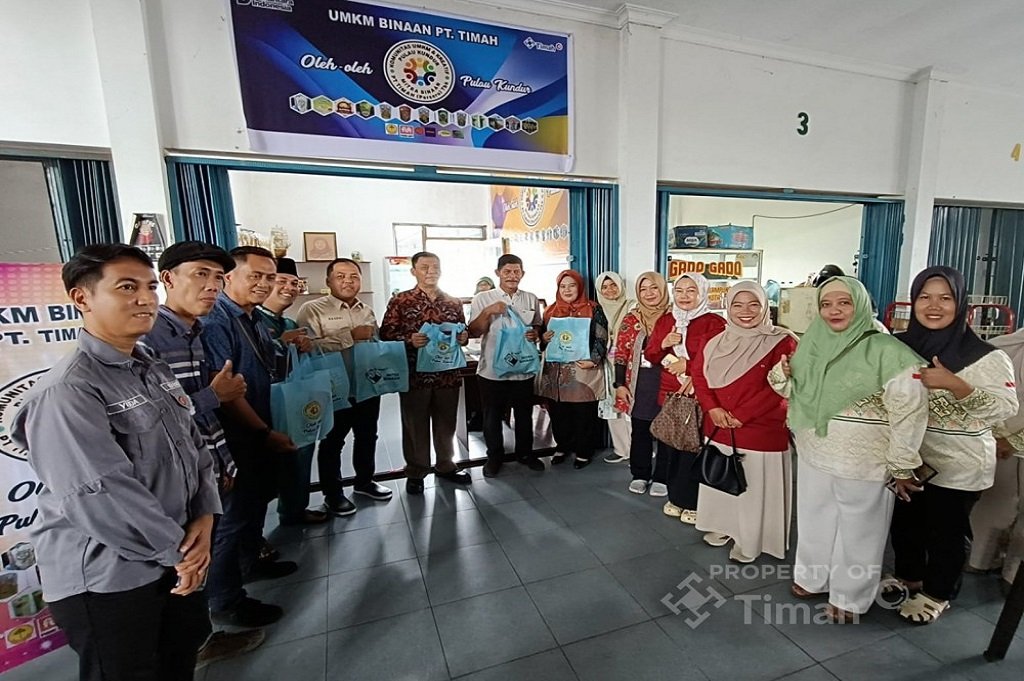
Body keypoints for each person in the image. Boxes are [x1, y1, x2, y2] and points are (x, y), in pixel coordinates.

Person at [11, 244, 221, 680]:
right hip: (110, 574)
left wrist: (204, 515)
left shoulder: (149, 366)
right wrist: (179, 554)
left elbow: (192, 444)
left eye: (148, 286)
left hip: (176, 550)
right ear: (82, 298)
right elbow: (99, 492)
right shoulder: (68, 391)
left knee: (178, 658)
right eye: (127, 287)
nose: (146, 299)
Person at [139, 241, 267, 665]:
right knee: (193, 555)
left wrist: (219, 462)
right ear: (168, 279)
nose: (211, 286)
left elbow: (188, 414)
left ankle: (205, 631)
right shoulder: (150, 337)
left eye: (217, 277)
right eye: (201, 275)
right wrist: (216, 396)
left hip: (206, 465)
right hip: (175, 479)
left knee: (212, 543)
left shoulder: (192, 330)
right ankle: (217, 616)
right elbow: (155, 418)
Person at [773, 276, 928, 622]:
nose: (834, 311)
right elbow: (792, 390)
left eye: (844, 302)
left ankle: (851, 596)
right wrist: (783, 374)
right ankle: (813, 578)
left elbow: (910, 410)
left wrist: (902, 463)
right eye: (826, 304)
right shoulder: (814, 341)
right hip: (815, 450)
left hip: (865, 459)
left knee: (860, 529)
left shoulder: (888, 351)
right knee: (815, 518)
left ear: (860, 304)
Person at [890, 266, 1018, 624]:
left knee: (946, 531)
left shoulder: (985, 356)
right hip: (910, 457)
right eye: (924, 297)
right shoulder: (897, 347)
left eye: (945, 298)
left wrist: (957, 386)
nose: (934, 306)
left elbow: (1006, 407)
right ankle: (908, 576)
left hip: (961, 463)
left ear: (960, 303)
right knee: (906, 521)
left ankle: (938, 592)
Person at [201, 246, 299, 628]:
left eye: (269, 277)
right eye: (255, 276)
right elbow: (223, 390)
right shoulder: (216, 321)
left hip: (256, 427)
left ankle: (250, 562)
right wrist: (263, 431)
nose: (264, 284)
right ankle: (225, 600)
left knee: (253, 505)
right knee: (232, 517)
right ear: (229, 278)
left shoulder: (252, 317)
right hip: (235, 434)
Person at [690, 282, 798, 563]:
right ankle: (722, 527)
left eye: (754, 305)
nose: (745, 312)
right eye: (737, 305)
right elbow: (699, 377)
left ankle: (750, 541)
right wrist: (712, 408)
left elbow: (782, 387)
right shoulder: (715, 340)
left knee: (753, 489)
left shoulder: (783, 341)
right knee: (720, 480)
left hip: (761, 428)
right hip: (718, 426)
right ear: (728, 307)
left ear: (765, 307)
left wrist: (742, 416)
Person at [296, 258, 393, 512]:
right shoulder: (312, 309)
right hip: (333, 388)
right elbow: (308, 348)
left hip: (366, 386)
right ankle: (332, 493)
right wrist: (349, 336)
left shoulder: (366, 310)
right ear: (328, 281)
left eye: (354, 276)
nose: (348, 281)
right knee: (332, 441)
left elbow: (374, 344)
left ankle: (364, 481)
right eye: (340, 276)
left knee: (367, 436)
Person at [380, 251, 471, 495]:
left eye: (436, 266)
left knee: (446, 423)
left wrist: (463, 337)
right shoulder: (400, 301)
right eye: (425, 267)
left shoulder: (453, 302)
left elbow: (462, 332)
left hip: (447, 374)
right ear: (414, 271)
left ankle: (445, 465)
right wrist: (409, 340)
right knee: (414, 425)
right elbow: (385, 335)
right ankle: (416, 471)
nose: (431, 271)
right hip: (414, 376)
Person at [644, 273, 726, 516]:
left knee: (694, 449)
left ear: (702, 292)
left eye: (691, 290)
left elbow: (719, 360)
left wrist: (688, 368)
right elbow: (651, 356)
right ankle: (676, 498)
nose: (685, 296)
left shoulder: (714, 322)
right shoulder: (666, 320)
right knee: (672, 449)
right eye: (679, 290)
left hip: (701, 396)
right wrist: (663, 344)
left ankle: (694, 502)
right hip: (672, 395)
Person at [255, 257, 327, 526]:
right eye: (280, 281)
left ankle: (294, 509)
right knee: (263, 469)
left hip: (293, 400)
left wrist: (305, 345)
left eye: (294, 283)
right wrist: (280, 344)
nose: (289, 287)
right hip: (261, 406)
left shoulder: (287, 323)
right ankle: (254, 537)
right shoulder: (252, 320)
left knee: (300, 452)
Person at [468, 254, 543, 477]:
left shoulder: (530, 298)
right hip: (492, 370)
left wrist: (535, 334)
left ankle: (525, 453)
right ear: (498, 273)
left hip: (523, 370)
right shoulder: (483, 298)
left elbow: (538, 326)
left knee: (523, 414)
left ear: (523, 273)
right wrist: (488, 311)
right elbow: (474, 331)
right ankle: (495, 457)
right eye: (507, 271)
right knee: (492, 415)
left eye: (516, 271)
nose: (512, 276)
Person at [538, 270, 609, 469]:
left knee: (583, 412)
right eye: (563, 286)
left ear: (580, 287)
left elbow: (602, 337)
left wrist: (594, 360)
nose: (567, 290)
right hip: (557, 371)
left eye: (572, 285)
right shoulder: (550, 310)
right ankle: (562, 446)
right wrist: (544, 339)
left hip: (583, 368)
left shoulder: (593, 309)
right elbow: (542, 339)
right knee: (559, 412)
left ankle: (583, 451)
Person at [973, 328, 1024, 595]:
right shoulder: (1009, 344)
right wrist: (992, 434)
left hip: (1011, 442)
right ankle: (980, 560)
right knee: (991, 506)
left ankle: (1014, 574)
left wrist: (1013, 441)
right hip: (997, 440)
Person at [614, 272, 671, 494]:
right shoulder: (632, 319)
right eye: (643, 289)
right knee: (640, 429)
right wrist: (620, 385)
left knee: (667, 431)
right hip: (640, 383)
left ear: (662, 289)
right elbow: (620, 353)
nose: (649, 294)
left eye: (654, 288)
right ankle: (640, 473)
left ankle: (663, 477)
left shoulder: (676, 317)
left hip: (668, 382)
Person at [595, 271, 635, 464]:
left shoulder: (631, 306)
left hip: (629, 364)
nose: (609, 290)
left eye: (613, 285)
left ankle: (637, 449)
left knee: (631, 405)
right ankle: (621, 449)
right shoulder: (597, 310)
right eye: (604, 287)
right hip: (605, 365)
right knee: (612, 405)